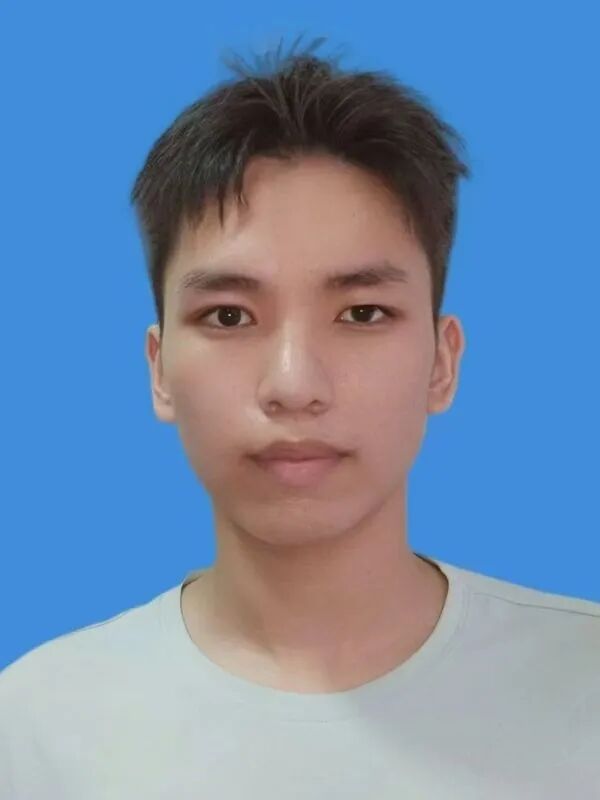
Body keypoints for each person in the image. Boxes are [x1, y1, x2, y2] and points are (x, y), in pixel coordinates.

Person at [1, 37, 599, 799]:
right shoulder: (36, 727)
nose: (293, 385)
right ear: (159, 369)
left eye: (362, 312)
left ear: (442, 363)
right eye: (228, 315)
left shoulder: (583, 689)